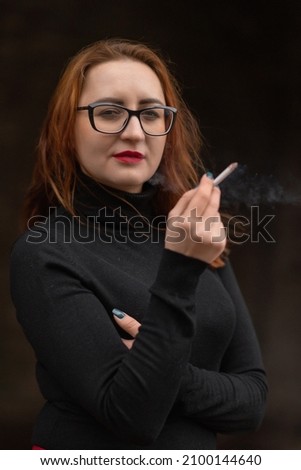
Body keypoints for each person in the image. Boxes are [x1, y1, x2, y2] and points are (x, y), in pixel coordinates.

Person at [10, 38, 267, 450]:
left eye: (151, 113)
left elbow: (252, 403)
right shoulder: (45, 252)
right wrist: (180, 270)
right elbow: (131, 416)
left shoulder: (192, 234)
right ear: (65, 128)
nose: (134, 131)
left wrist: (160, 364)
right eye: (109, 112)